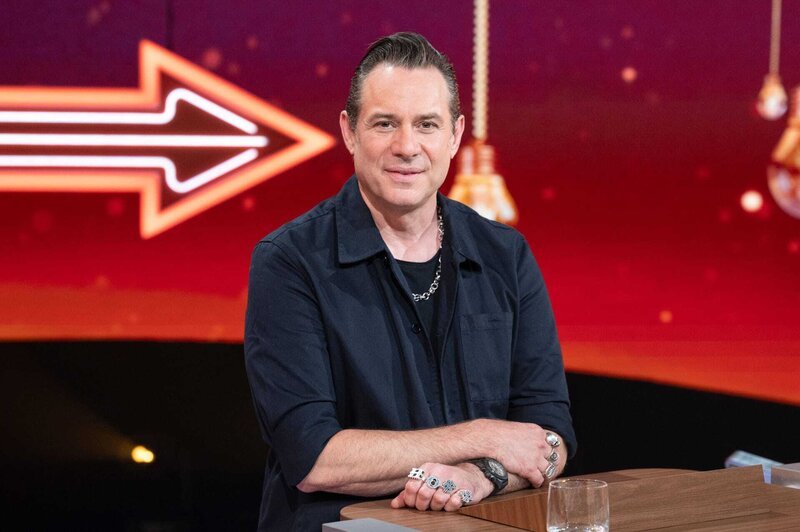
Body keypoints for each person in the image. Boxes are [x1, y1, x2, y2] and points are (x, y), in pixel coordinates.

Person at [244, 32, 576, 530]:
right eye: (385, 124)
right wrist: (484, 438)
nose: (407, 147)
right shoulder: (289, 262)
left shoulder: (507, 256)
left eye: (427, 124)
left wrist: (481, 475)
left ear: (455, 136)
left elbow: (550, 436)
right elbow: (314, 457)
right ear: (349, 132)